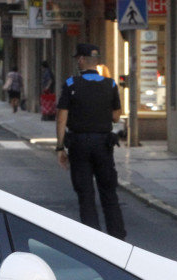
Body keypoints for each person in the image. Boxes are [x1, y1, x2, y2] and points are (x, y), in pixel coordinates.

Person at [55, 44, 126, 239]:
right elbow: (116, 117)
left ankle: (93, 239)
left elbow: (61, 118)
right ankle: (117, 236)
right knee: (109, 192)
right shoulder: (110, 84)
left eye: (78, 58)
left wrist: (60, 147)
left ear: (82, 60)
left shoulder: (71, 84)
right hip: (103, 145)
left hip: (79, 145)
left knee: (85, 194)